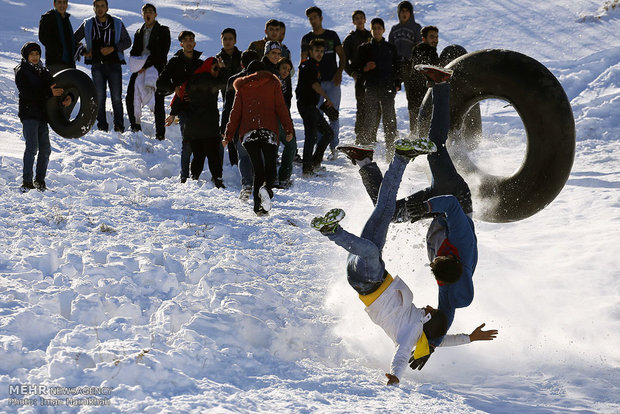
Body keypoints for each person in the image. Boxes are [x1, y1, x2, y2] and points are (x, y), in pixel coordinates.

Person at [311, 137, 497, 385]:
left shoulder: (414, 329)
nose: (427, 307)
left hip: (370, 283)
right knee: (386, 211)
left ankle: (331, 231)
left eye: (429, 311)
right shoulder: (460, 245)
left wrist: (397, 375)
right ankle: (395, 157)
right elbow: (443, 333)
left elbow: (405, 352)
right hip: (444, 210)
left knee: (371, 249)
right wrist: (467, 339)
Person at [338, 66, 478, 369]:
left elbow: (442, 324)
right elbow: (453, 206)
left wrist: (427, 346)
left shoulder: (448, 292)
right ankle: (442, 84)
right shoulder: (462, 245)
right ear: (451, 257)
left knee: (386, 212)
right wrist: (427, 209)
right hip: (453, 199)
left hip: (434, 211)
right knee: (435, 150)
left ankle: (364, 160)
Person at [223, 61, 294, 216]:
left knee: (258, 170)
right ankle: (266, 190)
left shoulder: (242, 88)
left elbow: (235, 113)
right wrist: (289, 129)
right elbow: (282, 108)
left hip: (249, 134)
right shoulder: (273, 84)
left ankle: (258, 207)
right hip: (268, 132)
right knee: (270, 168)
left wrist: (228, 136)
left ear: (249, 73)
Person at [15, 42, 72, 191]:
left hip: (42, 115)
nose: (35, 57)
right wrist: (49, 93)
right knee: (32, 147)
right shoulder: (21, 71)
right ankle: (27, 181)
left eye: (37, 54)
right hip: (29, 114)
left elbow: (55, 88)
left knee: (45, 149)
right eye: (32, 54)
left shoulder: (43, 71)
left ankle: (40, 181)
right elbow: (28, 93)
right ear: (26, 56)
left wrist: (66, 98)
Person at [74, 0, 131, 133]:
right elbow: (73, 39)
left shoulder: (117, 22)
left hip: (114, 64)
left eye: (102, 6)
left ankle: (119, 127)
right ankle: (102, 127)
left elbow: (127, 41)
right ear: (93, 8)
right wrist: (84, 51)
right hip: (97, 65)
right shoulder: (87, 24)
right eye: (97, 6)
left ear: (107, 8)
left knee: (116, 97)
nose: (100, 9)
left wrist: (113, 48)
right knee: (99, 97)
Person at [166, 56, 224, 187]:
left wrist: (173, 113)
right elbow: (225, 82)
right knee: (213, 153)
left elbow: (180, 97)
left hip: (194, 124)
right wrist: (223, 69)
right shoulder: (211, 80)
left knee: (198, 154)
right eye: (215, 68)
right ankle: (217, 179)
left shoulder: (191, 80)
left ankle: (194, 178)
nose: (217, 71)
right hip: (209, 124)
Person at [301, 6, 345, 160]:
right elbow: (303, 60)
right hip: (315, 83)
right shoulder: (307, 38)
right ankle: (320, 149)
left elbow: (342, 55)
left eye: (315, 17)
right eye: (310, 18)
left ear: (321, 18)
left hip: (332, 81)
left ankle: (334, 149)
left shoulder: (331, 35)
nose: (313, 21)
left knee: (333, 115)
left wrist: (340, 72)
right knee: (317, 116)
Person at [353, 18, 400, 159]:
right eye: (375, 28)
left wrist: (397, 83)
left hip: (387, 88)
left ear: (384, 30)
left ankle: (391, 154)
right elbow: (358, 69)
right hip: (371, 88)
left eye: (380, 28)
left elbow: (396, 67)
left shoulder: (390, 48)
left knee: (390, 122)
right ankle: (365, 154)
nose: (377, 31)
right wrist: (365, 68)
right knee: (370, 121)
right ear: (371, 30)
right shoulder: (364, 48)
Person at [125, 3, 170, 139]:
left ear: (155, 14)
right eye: (145, 12)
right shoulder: (139, 31)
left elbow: (162, 52)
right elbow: (134, 51)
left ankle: (160, 134)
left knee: (158, 100)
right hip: (140, 68)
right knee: (130, 97)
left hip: (156, 68)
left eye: (150, 11)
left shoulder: (163, 30)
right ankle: (135, 127)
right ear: (142, 15)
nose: (148, 14)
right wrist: (137, 63)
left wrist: (146, 64)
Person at [220, 49, 259, 200]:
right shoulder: (264, 79)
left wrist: (225, 128)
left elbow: (227, 106)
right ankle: (259, 182)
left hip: (241, 123)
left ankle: (247, 184)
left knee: (243, 155)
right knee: (258, 154)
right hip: (259, 122)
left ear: (241, 63)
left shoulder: (234, 80)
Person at [295, 39, 333, 177]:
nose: (320, 54)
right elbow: (314, 85)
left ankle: (315, 163)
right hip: (306, 105)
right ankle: (307, 169)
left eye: (322, 51)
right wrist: (327, 98)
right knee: (311, 137)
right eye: (317, 51)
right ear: (311, 52)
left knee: (328, 133)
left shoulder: (314, 65)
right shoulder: (308, 65)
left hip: (311, 105)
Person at [388, 1, 422, 134]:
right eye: (402, 11)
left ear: (411, 13)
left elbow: (419, 48)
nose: (404, 13)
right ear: (399, 13)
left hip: (410, 66)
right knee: (388, 97)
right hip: (395, 66)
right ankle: (391, 131)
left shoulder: (416, 27)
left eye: (407, 11)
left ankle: (415, 130)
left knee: (412, 99)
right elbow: (389, 49)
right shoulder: (394, 29)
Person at [215, 27, 242, 166]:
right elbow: (220, 83)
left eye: (230, 38)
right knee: (229, 130)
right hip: (227, 100)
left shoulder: (242, 57)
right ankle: (233, 163)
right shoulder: (217, 59)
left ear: (235, 40)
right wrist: (223, 69)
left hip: (243, 98)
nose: (227, 41)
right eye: (225, 38)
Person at [342, 10, 371, 136]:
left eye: (361, 18)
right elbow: (344, 60)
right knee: (362, 106)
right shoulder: (350, 38)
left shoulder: (372, 35)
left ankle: (371, 134)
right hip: (359, 76)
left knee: (374, 106)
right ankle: (360, 134)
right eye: (357, 18)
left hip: (373, 76)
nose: (359, 20)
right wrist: (352, 73)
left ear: (365, 20)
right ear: (353, 21)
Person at [409, 25, 440, 135]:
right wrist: (430, 80)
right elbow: (422, 68)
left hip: (424, 90)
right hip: (418, 91)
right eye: (432, 37)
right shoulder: (421, 49)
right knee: (419, 123)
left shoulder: (432, 51)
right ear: (424, 38)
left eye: (436, 37)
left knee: (422, 123)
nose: (435, 40)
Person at [38, 0, 77, 74]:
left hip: (69, 64)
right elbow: (43, 38)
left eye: (64, 2)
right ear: (54, 4)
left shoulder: (66, 19)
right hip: (54, 63)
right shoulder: (48, 17)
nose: (62, 5)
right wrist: (57, 49)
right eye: (59, 2)